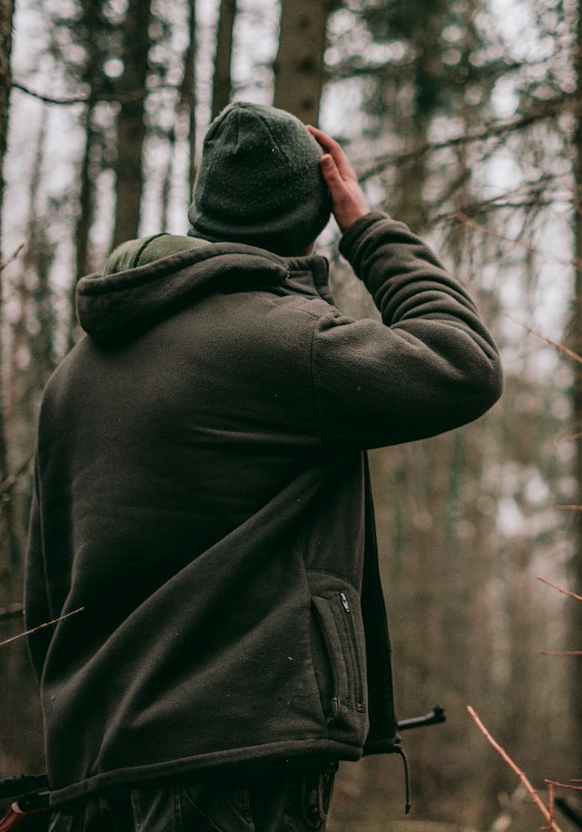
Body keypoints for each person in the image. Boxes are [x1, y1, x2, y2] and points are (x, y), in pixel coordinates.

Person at [25, 101, 503, 831]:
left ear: (202, 212)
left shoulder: (73, 376)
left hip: (94, 765)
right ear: (312, 216)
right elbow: (464, 363)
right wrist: (367, 229)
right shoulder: (290, 343)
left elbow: (46, 589)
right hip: (234, 760)